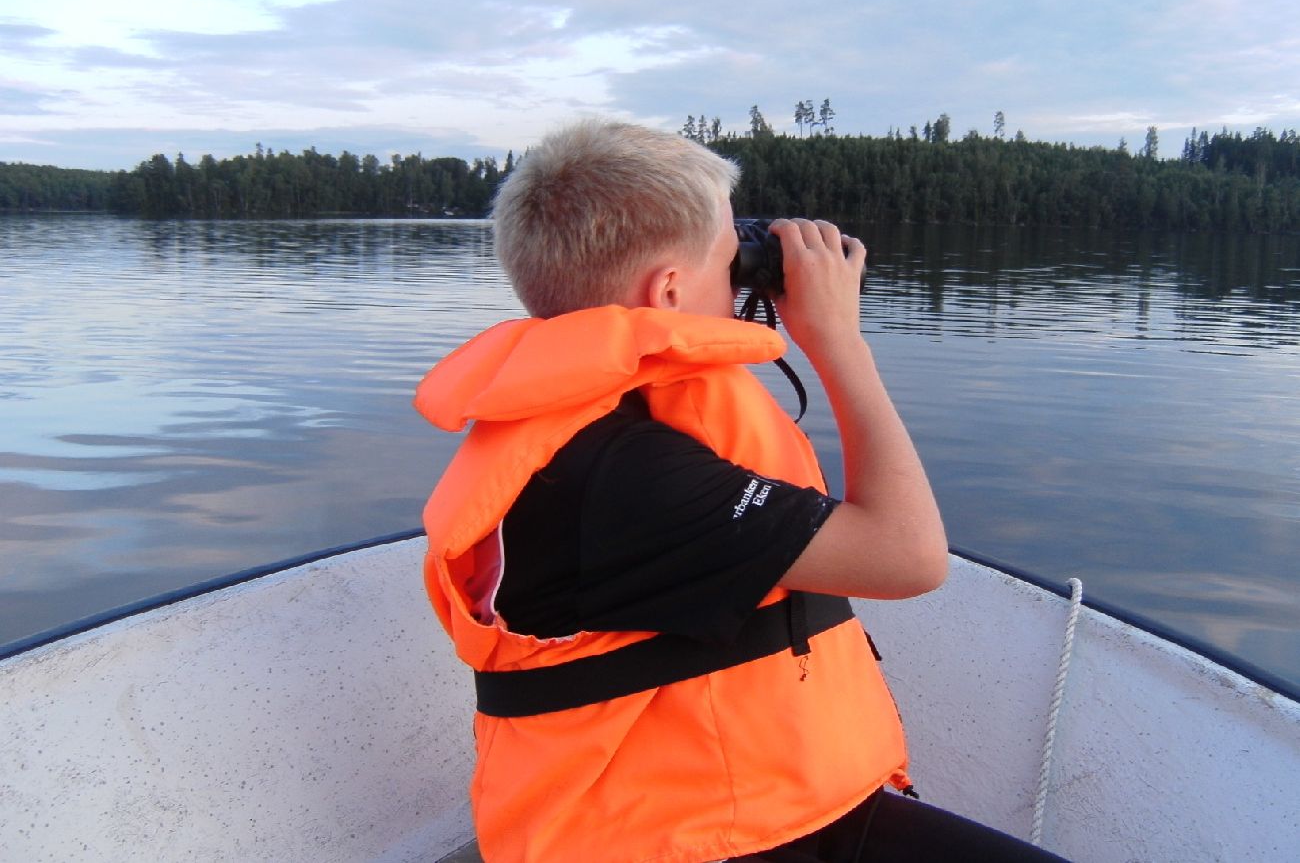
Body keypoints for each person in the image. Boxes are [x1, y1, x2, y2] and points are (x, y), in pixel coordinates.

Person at [414, 120, 1063, 862]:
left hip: (754, 807)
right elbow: (909, 556)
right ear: (667, 291)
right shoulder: (619, 472)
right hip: (661, 841)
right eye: (731, 261)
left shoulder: (604, 426)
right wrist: (839, 342)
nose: (745, 280)